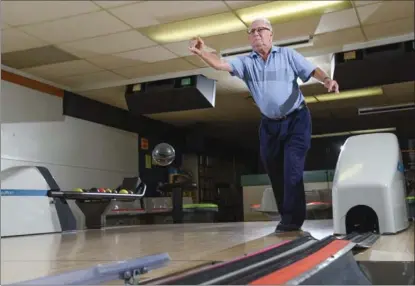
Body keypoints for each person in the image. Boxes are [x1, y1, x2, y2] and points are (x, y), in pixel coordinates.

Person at [189, 17, 339, 234]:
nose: (257, 33)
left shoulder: (287, 55)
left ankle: (292, 221)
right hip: (269, 126)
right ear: (249, 38)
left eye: (262, 30)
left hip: (297, 120)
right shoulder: (246, 62)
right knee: (275, 172)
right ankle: (287, 216)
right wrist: (202, 52)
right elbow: (220, 64)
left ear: (271, 34)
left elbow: (312, 69)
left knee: (292, 171)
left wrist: (326, 80)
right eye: (253, 31)